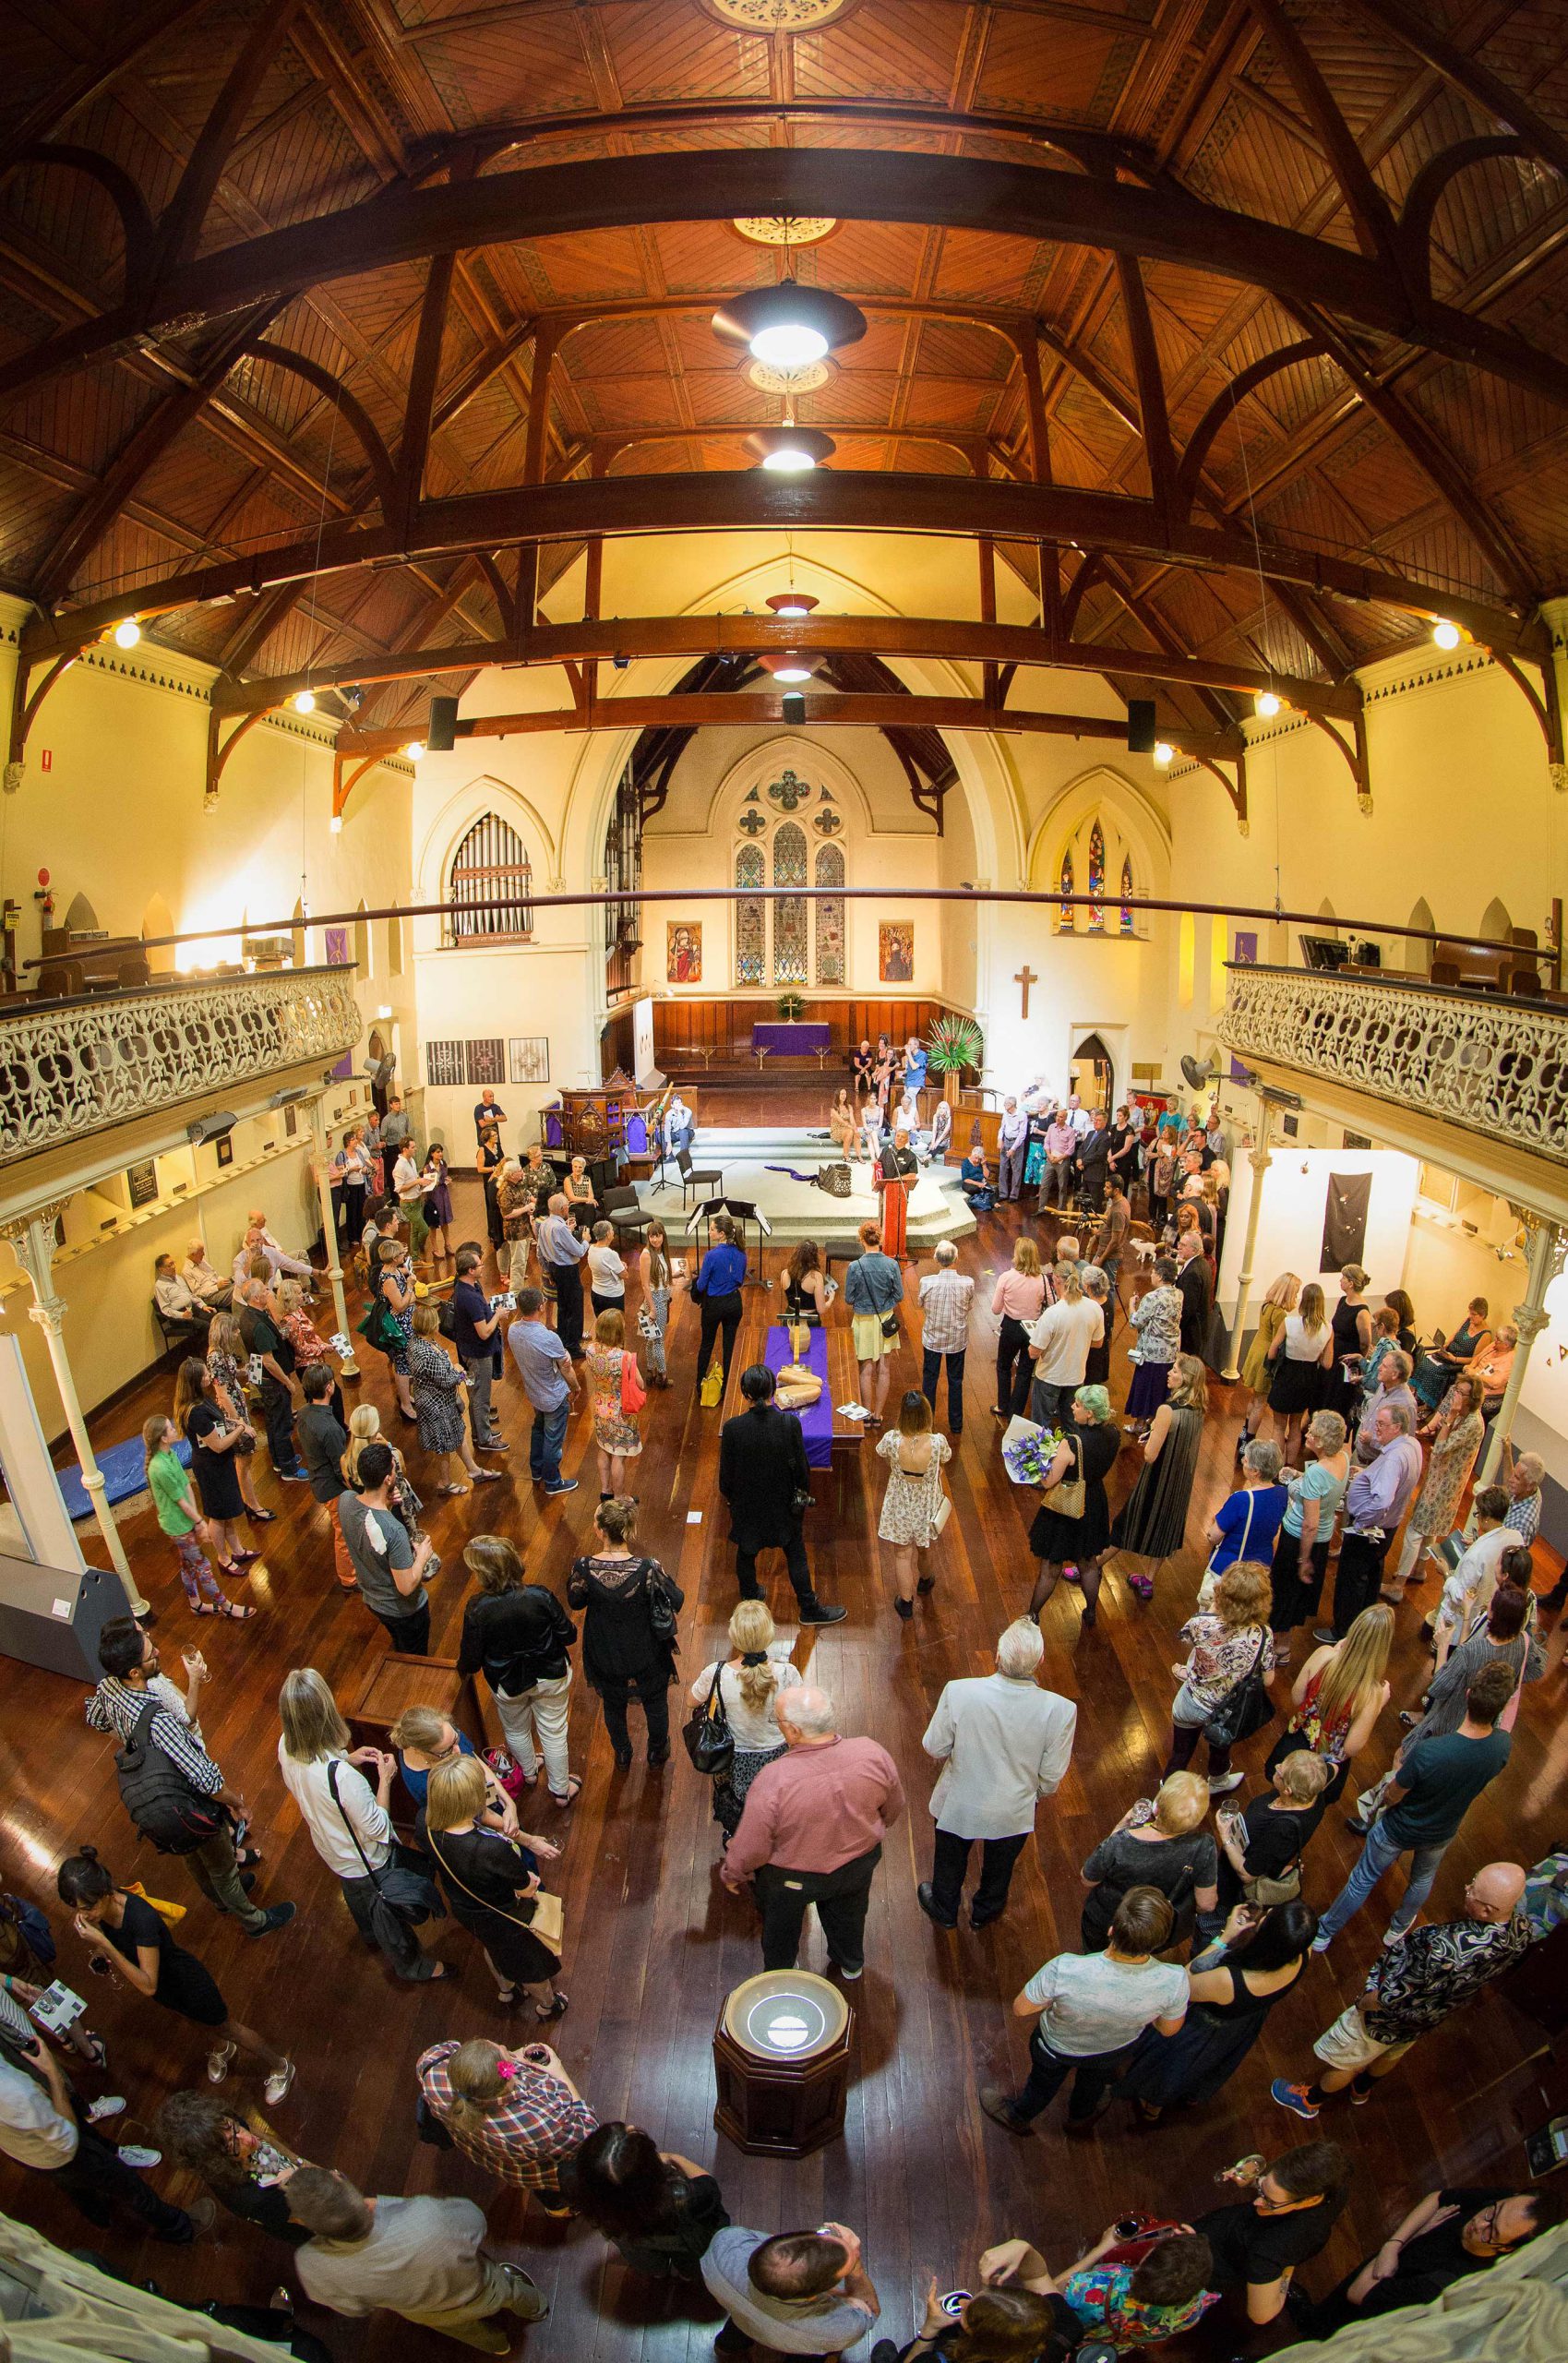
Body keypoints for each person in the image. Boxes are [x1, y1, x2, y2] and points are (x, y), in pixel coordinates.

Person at [1275, 1861, 1530, 2126]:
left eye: (1472, 1890)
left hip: (1384, 2017)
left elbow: (1389, 1997)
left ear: (1487, 1910)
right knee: (1393, 2051)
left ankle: (1310, 2100)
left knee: (1346, 2060)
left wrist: (1362, 2004)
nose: (1467, 1888)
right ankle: (1362, 2088)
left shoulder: (1445, 1950)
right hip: (1429, 2014)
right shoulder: (1521, 1930)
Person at [85, 1619, 289, 1934]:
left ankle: (221, 1901)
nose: (158, 1653)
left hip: (163, 1807)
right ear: (135, 1672)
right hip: (188, 1803)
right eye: (151, 1654)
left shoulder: (108, 1687)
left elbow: (95, 1718)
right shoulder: (160, 1722)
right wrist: (238, 1804)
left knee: (193, 1858)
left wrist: (128, 1738)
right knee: (223, 1869)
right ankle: (255, 1922)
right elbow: (208, 1781)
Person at [57, 1846, 293, 2104]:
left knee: (229, 2027)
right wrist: (100, 1952)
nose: (84, 1915)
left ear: (104, 1892)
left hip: (185, 1981)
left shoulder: (140, 1919)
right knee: (196, 2022)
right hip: (166, 1989)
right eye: (77, 1908)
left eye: (88, 1907)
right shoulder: (101, 1914)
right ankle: (223, 2048)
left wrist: (104, 1944)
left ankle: (281, 2066)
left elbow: (148, 1985)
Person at [1313, 1659, 1516, 1950]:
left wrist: (1397, 1771)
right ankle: (1398, 1929)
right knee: (1422, 1879)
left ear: (1468, 1695)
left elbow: (1393, 1795)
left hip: (1399, 1827)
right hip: (1443, 1829)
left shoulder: (1430, 1751)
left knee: (1362, 1879)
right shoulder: (1502, 1745)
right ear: (1503, 1705)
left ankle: (1324, 1933)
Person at [276, 1668, 447, 1984]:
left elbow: (314, 1771)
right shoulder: (343, 1779)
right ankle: (412, 1966)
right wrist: (386, 1780)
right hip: (368, 1860)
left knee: (356, 1894)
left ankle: (368, 1932)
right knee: (390, 1919)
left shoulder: (286, 1745)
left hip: (333, 1851)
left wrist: (345, 1757)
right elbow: (378, 1826)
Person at [722, 1685, 903, 1978]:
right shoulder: (872, 1752)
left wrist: (734, 1872)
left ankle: (781, 1971)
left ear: (793, 1731)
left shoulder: (774, 1778)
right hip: (858, 1865)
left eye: (778, 1721)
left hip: (793, 1878)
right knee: (850, 1916)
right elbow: (893, 1807)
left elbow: (753, 1844)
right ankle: (850, 1964)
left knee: (781, 1927)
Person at [980, 1888, 1188, 2136]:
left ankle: (1018, 2116)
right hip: (1113, 2049)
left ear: (1111, 1930)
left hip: (1056, 2046)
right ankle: (1079, 2118)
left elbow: (1021, 2008)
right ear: (1160, 1941)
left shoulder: (1065, 1968)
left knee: (1041, 2085)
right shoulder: (1175, 1980)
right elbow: (1168, 2029)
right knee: (1093, 2085)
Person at [918, 1618, 1076, 1930]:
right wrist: (1031, 1793)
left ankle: (944, 1908)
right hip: (1013, 1809)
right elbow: (1051, 1777)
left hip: (959, 1801)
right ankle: (985, 1911)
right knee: (1001, 1865)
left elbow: (934, 1746)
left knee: (950, 1858)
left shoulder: (959, 1691)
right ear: (1040, 1661)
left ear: (998, 1656)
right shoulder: (1061, 1710)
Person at [290, 2165, 546, 2352]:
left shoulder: (310, 2265)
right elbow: (476, 2220)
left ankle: (498, 2347)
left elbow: (354, 2309)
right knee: (513, 2292)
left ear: (302, 2222)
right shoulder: (425, 2216)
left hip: (426, 2312)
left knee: (468, 2331)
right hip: (481, 2288)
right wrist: (385, 2205)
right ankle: (538, 2309)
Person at [1116, 1900, 1319, 2123]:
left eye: (1271, 1915)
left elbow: (1183, 1985)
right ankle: (1186, 2096)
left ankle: (1152, 2107)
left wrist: (1224, 1937)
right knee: (1204, 2067)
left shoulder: (1229, 1981)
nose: (1268, 1911)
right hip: (1242, 2025)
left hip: (1204, 2028)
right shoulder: (1303, 1954)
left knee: (1171, 2069)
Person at [0, 2039, 196, 2245]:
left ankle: (98, 2215)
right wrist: (53, 2075)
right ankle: (179, 2227)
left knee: (73, 2184)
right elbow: (68, 2138)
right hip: (65, 2151)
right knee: (128, 2186)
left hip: (27, 2151)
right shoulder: (14, 2094)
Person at [1303, 2184, 1561, 2336]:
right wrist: (1393, 2245)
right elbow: (1438, 2198)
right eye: (1492, 2211)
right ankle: (1311, 2318)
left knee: (1334, 2326)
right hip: (1388, 2261)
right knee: (1329, 2306)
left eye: (1491, 2232)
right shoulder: (1503, 2200)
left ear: (1506, 2249)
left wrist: (1412, 2237)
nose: (1479, 2223)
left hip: (1379, 2297)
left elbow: (1358, 2293)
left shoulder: (1449, 2282)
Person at [422, 1757, 567, 2016]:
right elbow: (526, 1889)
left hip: (467, 1909)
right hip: (505, 1917)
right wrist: (530, 1881)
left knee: (492, 1948)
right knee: (529, 1965)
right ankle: (548, 2005)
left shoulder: (425, 1824)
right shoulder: (490, 1850)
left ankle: (506, 1990)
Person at [459, 1534, 580, 1807]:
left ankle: (528, 1773)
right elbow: (569, 1635)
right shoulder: (539, 1596)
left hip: (507, 1682)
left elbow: (471, 1660)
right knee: (554, 1731)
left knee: (515, 1728)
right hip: (549, 1674)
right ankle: (561, 1790)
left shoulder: (477, 1608)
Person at [719, 1361, 844, 1623]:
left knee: (746, 1553)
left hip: (747, 1507)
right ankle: (809, 1608)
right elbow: (802, 1470)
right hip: (783, 1505)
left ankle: (750, 1599)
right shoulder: (789, 1423)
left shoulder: (731, 1429)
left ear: (745, 1393)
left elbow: (725, 1479)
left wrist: (734, 1502)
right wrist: (800, 1498)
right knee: (796, 1553)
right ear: (773, 1391)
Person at [568, 1495, 684, 1767]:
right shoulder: (648, 1568)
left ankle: (622, 1753)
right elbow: (677, 1599)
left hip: (604, 1650)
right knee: (656, 1704)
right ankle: (657, 1751)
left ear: (600, 1530)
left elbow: (575, 1601)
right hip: (646, 1650)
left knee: (613, 1705)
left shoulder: (583, 1567)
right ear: (628, 1530)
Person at [417, 2037, 593, 2214]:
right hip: (535, 2170)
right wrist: (559, 2071)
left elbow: (444, 2051)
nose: (504, 2047)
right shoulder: (541, 2123)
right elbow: (589, 2134)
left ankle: (556, 2209)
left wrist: (505, 2061)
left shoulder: (433, 2070)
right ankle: (559, 2209)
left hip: (493, 2156)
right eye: (504, 2054)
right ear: (508, 2079)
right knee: (555, 2190)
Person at [1191, 2144, 1350, 2326]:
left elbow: (1261, 2316)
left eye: (1270, 2201)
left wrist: (1286, 2268)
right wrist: (1252, 2181)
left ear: (1310, 2199)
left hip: (1220, 2261)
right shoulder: (1335, 2185)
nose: (1257, 2202)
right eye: (1262, 2187)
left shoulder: (1268, 2252)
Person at [559, 2121, 730, 2282]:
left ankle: (657, 2272)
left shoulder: (577, 2187)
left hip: (625, 2233)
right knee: (689, 2259)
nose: (632, 2126)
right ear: (651, 2170)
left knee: (642, 2257)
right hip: (679, 2239)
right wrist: (675, 2158)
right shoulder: (683, 2197)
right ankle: (688, 2273)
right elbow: (709, 2185)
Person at [689, 1600, 802, 1837]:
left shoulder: (716, 1673)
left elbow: (691, 1701)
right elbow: (799, 1711)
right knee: (774, 1799)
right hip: (777, 1752)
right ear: (769, 1635)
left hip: (734, 1755)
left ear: (734, 1636)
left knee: (737, 1801)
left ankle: (739, 1836)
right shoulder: (787, 1673)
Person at [1164, 1560, 1275, 1794]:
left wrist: (1214, 1610)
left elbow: (1186, 1640)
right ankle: (1218, 1782)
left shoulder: (1200, 1623)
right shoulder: (1263, 1634)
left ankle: (1165, 1796)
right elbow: (1268, 1680)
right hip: (1227, 1711)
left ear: (1221, 1594)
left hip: (1190, 1701)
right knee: (1220, 1747)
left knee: (1180, 1753)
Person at [1318, 1397, 1423, 1640]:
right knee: (1372, 1574)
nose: (1376, 1428)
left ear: (1397, 1427)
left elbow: (1383, 1499)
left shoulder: (1394, 1458)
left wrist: (1362, 1521)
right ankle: (1365, 1625)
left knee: (1352, 1579)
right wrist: (1369, 1474)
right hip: (1390, 1526)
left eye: (1381, 1424)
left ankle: (1343, 1631)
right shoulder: (1412, 1445)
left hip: (1371, 1528)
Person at [1105, 1354, 1207, 1602]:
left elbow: (1150, 1456)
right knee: (1164, 1529)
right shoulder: (1198, 1409)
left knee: (1126, 1524)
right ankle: (1148, 1580)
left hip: (1157, 1479)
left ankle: (1093, 1565)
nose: (1169, 1373)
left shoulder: (1166, 1410)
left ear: (1186, 1378)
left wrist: (1152, 1435)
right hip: (1179, 1479)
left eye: (1175, 1371)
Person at [1265, 1605, 1393, 1805]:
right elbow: (1351, 1747)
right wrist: (1377, 1707)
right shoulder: (1372, 1693)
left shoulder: (1324, 1654)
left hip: (1297, 1743)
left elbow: (1297, 1697)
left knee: (1280, 1790)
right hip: (1325, 1765)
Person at [1080, 1772, 1218, 1952]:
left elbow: (1087, 1879)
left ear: (1156, 1808)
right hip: (1152, 1928)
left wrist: (1120, 1827)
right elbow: (1206, 1904)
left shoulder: (1120, 1842)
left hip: (1108, 1919)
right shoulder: (1204, 1845)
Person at [704, 2221, 880, 2358]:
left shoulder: (725, 2245)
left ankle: (725, 2349)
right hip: (796, 2343)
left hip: (742, 2316)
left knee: (736, 2335)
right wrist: (856, 2268)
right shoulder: (840, 2329)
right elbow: (871, 2311)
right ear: (812, 2296)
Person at [154, 2088, 306, 2245]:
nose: (247, 2139)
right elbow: (307, 2219)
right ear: (217, 2160)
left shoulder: (221, 2125)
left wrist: (299, 2162)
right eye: (232, 2145)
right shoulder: (254, 2197)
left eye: (233, 2126)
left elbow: (263, 2138)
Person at [1399, 1582, 1541, 1748]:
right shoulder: (1523, 1642)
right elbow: (1537, 1669)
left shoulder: (1469, 1652)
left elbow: (1438, 1688)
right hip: (1483, 1725)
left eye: (1491, 1600)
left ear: (1493, 1613)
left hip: (1450, 1721)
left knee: (1405, 1754)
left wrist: (1442, 1647)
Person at [1026, 1382, 1120, 1625]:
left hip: (1067, 1507)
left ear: (1089, 1413)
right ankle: (1091, 1612)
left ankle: (1032, 1615)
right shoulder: (1113, 1434)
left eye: (1077, 1405)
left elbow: (1048, 1481)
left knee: (1051, 1566)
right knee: (1088, 1562)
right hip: (1094, 1501)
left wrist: (1038, 1465)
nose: (1072, 1407)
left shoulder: (1071, 1443)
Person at [1387, 1373, 1485, 1592]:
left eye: (1461, 1393)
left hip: (1444, 1486)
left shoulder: (1472, 1423)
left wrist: (1450, 1417)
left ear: (1472, 1398)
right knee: (1427, 1529)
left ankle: (1398, 1585)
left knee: (1415, 1531)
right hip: (1439, 1480)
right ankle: (1419, 1569)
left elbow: (1440, 1448)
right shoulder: (1463, 1416)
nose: (1456, 1396)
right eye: (1456, 1390)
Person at [338, 1440, 437, 1653]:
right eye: (393, 1468)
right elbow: (406, 1586)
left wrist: (387, 1505)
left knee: (399, 1641)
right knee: (414, 1656)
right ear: (388, 1479)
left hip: (372, 1600)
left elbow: (369, 1525)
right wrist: (422, 1556)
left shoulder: (345, 1501)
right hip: (404, 1610)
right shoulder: (394, 1531)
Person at [1267, 1410, 1350, 1661]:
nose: (1307, 1434)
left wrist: (1303, 1559)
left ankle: (1280, 1646)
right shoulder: (1343, 1458)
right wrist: (1298, 1477)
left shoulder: (1318, 1473)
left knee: (1285, 1592)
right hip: (1322, 1538)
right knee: (1294, 1593)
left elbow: (1309, 1524)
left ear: (1323, 1442)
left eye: (1312, 1433)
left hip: (1299, 1540)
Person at [141, 1412, 241, 1616]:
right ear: (163, 1438)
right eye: (170, 1428)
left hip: (185, 1519)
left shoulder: (170, 1454)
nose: (174, 1430)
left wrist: (196, 1518)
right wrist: (199, 1523)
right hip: (177, 1525)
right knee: (203, 1566)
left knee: (187, 1565)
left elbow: (186, 1486)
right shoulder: (160, 1468)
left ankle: (195, 1603)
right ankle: (226, 1607)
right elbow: (180, 1500)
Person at [1212, 1751, 1332, 1914]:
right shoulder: (1313, 1792)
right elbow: (1333, 1769)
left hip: (1234, 1877)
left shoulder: (1283, 1830)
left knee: (1221, 1902)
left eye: (1280, 1771)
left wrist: (1225, 1836)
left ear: (1288, 1790)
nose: (1277, 1766)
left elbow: (1246, 1873)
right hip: (1243, 1852)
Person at [174, 1355, 258, 1579]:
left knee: (228, 1511)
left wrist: (235, 1422)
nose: (209, 1375)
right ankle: (223, 1557)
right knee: (218, 1515)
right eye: (205, 1374)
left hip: (220, 1464)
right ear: (195, 1381)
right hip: (211, 1467)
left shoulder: (203, 1400)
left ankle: (237, 1550)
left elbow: (219, 1423)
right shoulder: (195, 1412)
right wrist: (241, 1428)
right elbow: (218, 1445)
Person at [410, 1301, 499, 1495]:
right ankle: (445, 1483)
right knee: (443, 1445)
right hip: (435, 1405)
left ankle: (474, 1470)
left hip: (443, 1402)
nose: (439, 1323)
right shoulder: (424, 1352)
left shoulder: (423, 1342)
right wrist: (459, 1372)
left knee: (458, 1435)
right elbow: (445, 1379)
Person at [878, 1389, 952, 1617]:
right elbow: (946, 1458)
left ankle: (906, 1603)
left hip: (900, 1501)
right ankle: (926, 1580)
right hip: (925, 1502)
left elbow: (881, 1453)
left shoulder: (892, 1439)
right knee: (924, 1547)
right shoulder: (938, 1442)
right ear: (927, 1415)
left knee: (902, 1554)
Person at [507, 1284, 581, 1496]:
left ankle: (537, 1471)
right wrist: (575, 1387)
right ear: (540, 1307)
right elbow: (566, 1368)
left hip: (534, 1393)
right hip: (553, 1396)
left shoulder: (513, 1330)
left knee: (538, 1430)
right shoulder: (548, 1338)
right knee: (553, 1440)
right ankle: (553, 1482)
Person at [1430, 1485, 1514, 1658]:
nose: (1477, 1518)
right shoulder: (1513, 1537)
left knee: (1444, 1662)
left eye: (1478, 1514)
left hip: (1460, 1625)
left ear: (1487, 1518)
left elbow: (1461, 1596)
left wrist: (1446, 1573)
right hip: (1484, 1616)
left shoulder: (1475, 1556)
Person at [1202, 1439, 1287, 1601]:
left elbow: (1213, 1536)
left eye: (1246, 1460)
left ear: (1255, 1471)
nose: (1242, 1461)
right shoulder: (1282, 1494)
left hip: (1231, 1570)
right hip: (1260, 1570)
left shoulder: (1241, 1499)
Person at [1024, 1261, 1103, 1429]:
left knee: (1040, 1426)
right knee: (1072, 1424)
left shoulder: (1052, 1313)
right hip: (1076, 1377)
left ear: (1056, 1280)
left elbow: (1033, 1352)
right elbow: (1098, 1342)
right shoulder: (1094, 1308)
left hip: (1049, 1377)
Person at [1264, 1278, 1333, 1465]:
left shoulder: (1289, 1323)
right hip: (1308, 1378)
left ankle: (1275, 1465)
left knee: (1279, 1426)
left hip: (1287, 1375)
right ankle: (1290, 1466)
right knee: (1295, 1426)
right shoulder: (1328, 1328)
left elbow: (1272, 1352)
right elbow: (1327, 1363)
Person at [846, 1218, 904, 1428]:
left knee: (866, 1370)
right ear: (881, 1240)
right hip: (885, 1319)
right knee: (884, 1369)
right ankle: (877, 1415)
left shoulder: (855, 1266)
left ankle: (865, 1415)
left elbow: (849, 1298)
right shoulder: (892, 1264)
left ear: (862, 1240)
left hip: (863, 1321)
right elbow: (899, 1295)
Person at [449, 1245, 506, 1453]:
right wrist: (498, 1316)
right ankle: (485, 1439)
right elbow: (483, 1332)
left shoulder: (464, 1288)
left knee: (475, 1394)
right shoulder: (470, 1297)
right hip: (479, 1353)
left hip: (468, 1349)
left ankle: (478, 1432)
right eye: (479, 1265)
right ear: (471, 1270)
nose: (483, 1266)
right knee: (481, 1396)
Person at [585, 1306, 643, 1500]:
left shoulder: (590, 1350)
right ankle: (619, 1497)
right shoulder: (624, 1357)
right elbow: (640, 1384)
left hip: (600, 1406)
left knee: (604, 1448)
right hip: (620, 1410)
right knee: (619, 1453)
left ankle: (606, 1490)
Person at [917, 1238, 972, 1436]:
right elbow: (969, 1305)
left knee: (929, 1379)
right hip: (957, 1338)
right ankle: (956, 1425)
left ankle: (926, 1422)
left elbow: (920, 1304)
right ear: (956, 1259)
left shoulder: (926, 1282)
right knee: (956, 1381)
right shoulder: (968, 1283)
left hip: (933, 1337)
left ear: (936, 1259)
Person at [1239, 1273, 1299, 1447]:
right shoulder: (1280, 1314)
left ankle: (1243, 1435)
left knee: (1254, 1399)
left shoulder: (1266, 1305)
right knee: (1260, 1403)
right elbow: (1277, 1342)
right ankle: (1248, 1442)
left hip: (1256, 1350)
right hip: (1265, 1358)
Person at [1124, 1254, 1181, 1436]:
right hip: (1170, 1352)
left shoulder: (1152, 1297)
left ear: (1160, 1275)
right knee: (1160, 1390)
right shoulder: (1178, 1294)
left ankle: (1140, 1424)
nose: (1151, 1275)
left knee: (1145, 1389)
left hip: (1151, 1354)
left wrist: (1132, 1306)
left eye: (1153, 1272)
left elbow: (1136, 1322)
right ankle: (1155, 1422)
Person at [693, 1210, 748, 1397]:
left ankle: (700, 1385)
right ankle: (727, 1387)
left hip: (714, 1305)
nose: (709, 1232)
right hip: (734, 1303)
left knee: (707, 1344)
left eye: (712, 1229)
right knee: (729, 1345)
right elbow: (740, 1280)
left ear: (721, 1234)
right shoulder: (741, 1253)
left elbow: (701, 1285)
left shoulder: (711, 1256)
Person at [991, 1238, 1046, 1421]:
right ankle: (1016, 1411)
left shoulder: (1006, 1277)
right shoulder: (1043, 1280)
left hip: (1011, 1327)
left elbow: (995, 1309)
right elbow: (1051, 1303)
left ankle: (1002, 1405)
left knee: (1004, 1365)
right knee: (1025, 1370)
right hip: (1033, 1329)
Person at [366, 1237, 416, 1421]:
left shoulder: (394, 1270)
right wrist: (410, 1288)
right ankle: (405, 1404)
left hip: (406, 1320)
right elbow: (400, 1305)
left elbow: (408, 1300)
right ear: (394, 1258)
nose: (404, 1255)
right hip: (399, 1327)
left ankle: (406, 1396)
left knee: (406, 1361)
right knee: (402, 1363)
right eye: (402, 1253)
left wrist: (409, 1297)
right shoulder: (389, 1279)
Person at [535, 1191, 590, 1358]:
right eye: (567, 1206)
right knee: (575, 1307)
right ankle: (573, 1346)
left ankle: (563, 1339)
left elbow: (540, 1251)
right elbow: (579, 1251)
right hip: (567, 1270)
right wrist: (585, 1240)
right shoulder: (559, 1228)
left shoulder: (545, 1223)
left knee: (563, 1305)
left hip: (554, 1268)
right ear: (563, 1209)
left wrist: (548, 1271)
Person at [296, 1361, 349, 1517]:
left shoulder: (303, 1412)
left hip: (318, 1480)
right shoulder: (330, 1429)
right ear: (329, 1387)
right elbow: (340, 1469)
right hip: (334, 1490)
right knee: (343, 1530)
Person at [638, 1218, 679, 1384]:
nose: (655, 1239)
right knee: (658, 1340)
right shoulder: (646, 1255)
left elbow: (660, 1276)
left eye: (658, 1236)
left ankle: (651, 1370)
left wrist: (674, 1275)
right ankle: (663, 1375)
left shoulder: (662, 1252)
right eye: (652, 1236)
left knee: (651, 1338)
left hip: (661, 1298)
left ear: (663, 1236)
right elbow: (645, 1285)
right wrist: (653, 1309)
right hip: (655, 1301)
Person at [877, 1125, 918, 1259]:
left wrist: (896, 1180)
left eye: (902, 1137)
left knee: (898, 1219)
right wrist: (876, 1180)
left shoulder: (911, 1156)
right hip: (885, 1190)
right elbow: (878, 1166)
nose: (899, 1139)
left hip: (900, 1191)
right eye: (898, 1136)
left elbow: (912, 1174)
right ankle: (883, 1244)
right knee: (883, 1216)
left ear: (907, 1140)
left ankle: (897, 1247)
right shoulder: (886, 1150)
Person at [1173, 1228, 1214, 1361]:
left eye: (1183, 1245)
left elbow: (1188, 1308)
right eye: (1180, 1243)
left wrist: (1175, 1328)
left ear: (1194, 1250)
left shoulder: (1193, 1273)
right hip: (1198, 1328)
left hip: (1190, 1332)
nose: (1179, 1247)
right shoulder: (1202, 1263)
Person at [153, 1253, 210, 1342]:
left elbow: (190, 1295)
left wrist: (203, 1305)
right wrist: (182, 1315)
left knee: (215, 1318)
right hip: (179, 1316)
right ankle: (209, 1348)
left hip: (192, 1308)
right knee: (206, 1326)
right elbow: (165, 1309)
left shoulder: (178, 1278)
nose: (173, 1267)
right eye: (169, 1265)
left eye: (173, 1263)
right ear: (161, 1269)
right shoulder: (160, 1286)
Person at [493, 1154, 530, 1283]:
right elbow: (507, 1214)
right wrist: (526, 1208)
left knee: (523, 1259)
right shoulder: (505, 1190)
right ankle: (516, 1289)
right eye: (519, 1171)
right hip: (515, 1230)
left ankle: (520, 1282)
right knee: (517, 1261)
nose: (522, 1173)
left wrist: (529, 1207)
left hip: (524, 1227)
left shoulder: (517, 1185)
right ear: (512, 1175)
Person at [1435, 1293, 1490, 1374]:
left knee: (1431, 1370)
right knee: (1425, 1362)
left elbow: (1475, 1359)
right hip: (1447, 1355)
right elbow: (1455, 1334)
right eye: (1469, 1312)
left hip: (1457, 1363)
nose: (1470, 1316)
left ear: (1482, 1315)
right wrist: (1445, 1345)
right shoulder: (1468, 1321)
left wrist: (1454, 1359)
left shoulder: (1485, 1335)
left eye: (1473, 1314)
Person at [181, 1238, 233, 1311]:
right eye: (201, 1252)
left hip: (218, 1287)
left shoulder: (201, 1261)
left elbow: (214, 1275)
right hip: (210, 1297)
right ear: (193, 1254)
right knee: (236, 1291)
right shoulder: (187, 1271)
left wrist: (223, 1281)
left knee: (239, 1280)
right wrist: (217, 1287)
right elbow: (198, 1294)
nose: (204, 1254)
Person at [586, 1219, 625, 1318]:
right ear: (608, 1234)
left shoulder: (591, 1248)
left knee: (601, 1323)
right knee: (615, 1324)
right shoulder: (610, 1254)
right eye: (612, 1230)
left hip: (596, 1293)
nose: (613, 1232)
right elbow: (625, 1275)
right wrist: (623, 1266)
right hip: (612, 1296)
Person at [1075, 1109, 1111, 1212]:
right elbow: (1082, 1147)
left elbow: (1099, 1155)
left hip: (1096, 1174)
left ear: (1105, 1122)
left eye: (1099, 1120)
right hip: (1086, 1172)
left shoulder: (1106, 1137)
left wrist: (1083, 1162)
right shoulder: (1090, 1133)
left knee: (1095, 1202)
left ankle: (1095, 1220)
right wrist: (1079, 1159)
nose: (1095, 1122)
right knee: (1085, 1200)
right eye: (1095, 1120)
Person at [997, 1098, 1028, 1202]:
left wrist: (1013, 1148)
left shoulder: (1022, 1115)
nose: (1004, 1105)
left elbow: (1022, 1134)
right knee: (1003, 1168)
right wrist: (999, 1139)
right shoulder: (1005, 1114)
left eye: (1007, 1103)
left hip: (1017, 1143)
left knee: (1016, 1170)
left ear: (1013, 1104)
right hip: (1006, 1141)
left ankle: (1014, 1195)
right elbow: (1002, 1128)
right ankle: (1003, 1193)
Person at [957, 1145, 995, 1212]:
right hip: (970, 1183)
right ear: (972, 1155)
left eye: (979, 1159)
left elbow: (986, 1176)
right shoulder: (966, 1162)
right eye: (976, 1158)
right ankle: (990, 1201)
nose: (977, 1161)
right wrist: (978, 1184)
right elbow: (965, 1179)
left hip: (981, 1182)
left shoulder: (982, 1162)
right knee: (977, 1189)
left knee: (990, 1189)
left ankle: (990, 1202)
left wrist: (984, 1165)